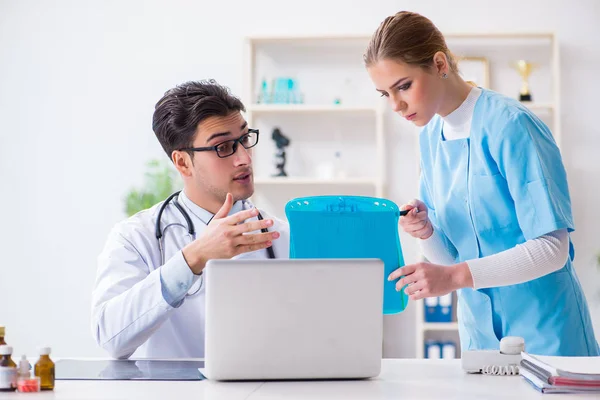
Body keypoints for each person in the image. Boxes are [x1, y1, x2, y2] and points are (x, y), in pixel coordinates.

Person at [365, 11, 599, 356]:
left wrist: (455, 277)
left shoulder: (511, 125)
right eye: (385, 94)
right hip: (482, 340)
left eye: (404, 86)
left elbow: (553, 249)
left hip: (547, 334)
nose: (397, 105)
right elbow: (450, 258)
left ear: (440, 64)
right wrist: (425, 231)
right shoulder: (430, 136)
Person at [91, 80, 289, 359]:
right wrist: (193, 258)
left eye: (244, 139)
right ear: (183, 162)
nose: (244, 158)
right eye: (223, 147)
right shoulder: (137, 237)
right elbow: (110, 336)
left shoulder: (284, 235)